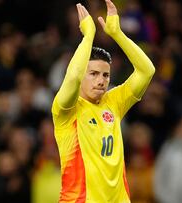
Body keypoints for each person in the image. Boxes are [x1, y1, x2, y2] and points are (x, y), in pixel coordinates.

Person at [51, 0, 155, 202]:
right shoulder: (66, 110)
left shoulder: (113, 102)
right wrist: (88, 36)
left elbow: (147, 71)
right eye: (94, 74)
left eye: (105, 75)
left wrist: (117, 33)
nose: (101, 81)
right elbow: (72, 77)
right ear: (83, 74)